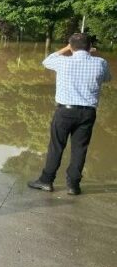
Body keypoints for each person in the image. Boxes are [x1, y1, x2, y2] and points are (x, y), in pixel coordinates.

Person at [28, 33, 111, 195]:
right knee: (80, 149)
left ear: (71, 46)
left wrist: (67, 48)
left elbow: (46, 61)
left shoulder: (62, 62)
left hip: (64, 112)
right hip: (87, 113)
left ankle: (46, 181)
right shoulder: (100, 63)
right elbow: (107, 78)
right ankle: (73, 185)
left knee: (56, 146)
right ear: (90, 47)